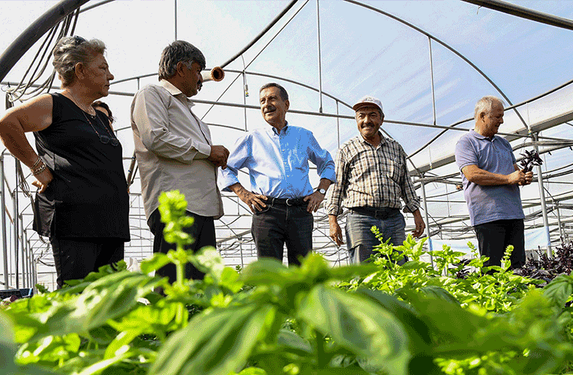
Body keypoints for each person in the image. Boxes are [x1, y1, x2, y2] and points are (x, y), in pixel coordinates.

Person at [0, 36, 130, 289]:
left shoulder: (100, 116)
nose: (111, 75)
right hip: (76, 221)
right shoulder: (54, 104)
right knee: (77, 300)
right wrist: (38, 167)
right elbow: (7, 123)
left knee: (111, 303)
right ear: (80, 71)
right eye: (103, 68)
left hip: (111, 222)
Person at [131, 40, 229, 283]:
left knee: (201, 287)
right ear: (180, 68)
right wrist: (207, 152)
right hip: (177, 206)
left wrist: (212, 156)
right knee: (173, 284)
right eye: (197, 70)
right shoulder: (153, 94)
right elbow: (156, 137)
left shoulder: (190, 113)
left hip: (201, 208)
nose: (201, 78)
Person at [219, 83, 335, 266]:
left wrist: (320, 192)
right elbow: (225, 167)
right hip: (267, 211)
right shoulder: (252, 139)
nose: (266, 104)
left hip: (300, 211)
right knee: (270, 272)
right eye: (262, 101)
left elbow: (327, 163)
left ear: (286, 104)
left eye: (272, 98)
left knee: (302, 273)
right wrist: (244, 194)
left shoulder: (304, 136)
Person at [327, 96, 425, 263]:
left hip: (393, 218)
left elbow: (406, 183)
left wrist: (417, 213)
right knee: (364, 272)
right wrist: (332, 220)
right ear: (356, 120)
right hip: (360, 219)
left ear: (381, 119)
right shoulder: (347, 149)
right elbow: (337, 186)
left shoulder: (395, 148)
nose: (366, 120)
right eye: (361, 116)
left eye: (372, 115)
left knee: (399, 270)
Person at [454, 96, 532, 269]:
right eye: (498, 116)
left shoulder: (504, 144)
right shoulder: (466, 143)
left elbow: (514, 171)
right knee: (492, 269)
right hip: (488, 217)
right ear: (483, 116)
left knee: (518, 267)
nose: (502, 121)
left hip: (514, 214)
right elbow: (472, 174)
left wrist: (521, 177)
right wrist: (508, 178)